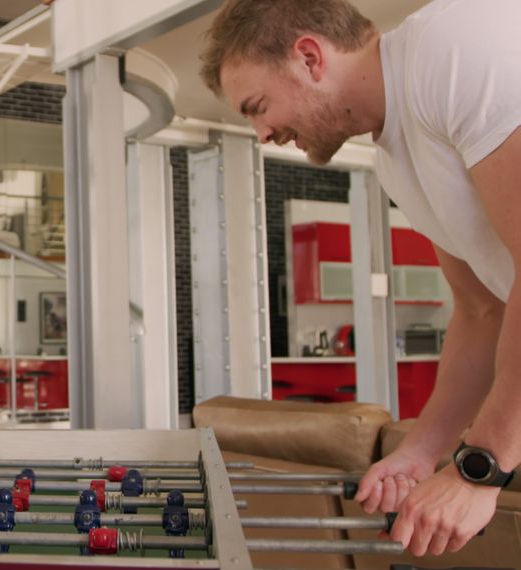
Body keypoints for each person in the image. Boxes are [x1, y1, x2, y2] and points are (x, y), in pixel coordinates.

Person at [200, 0, 521, 557]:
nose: (263, 133)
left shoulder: (455, 50)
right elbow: (481, 310)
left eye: (258, 106)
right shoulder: (393, 159)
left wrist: (478, 469)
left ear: (308, 57)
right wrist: (421, 451)